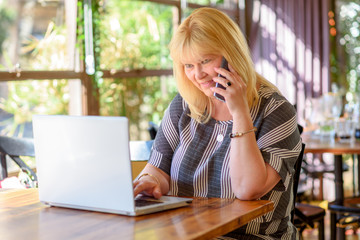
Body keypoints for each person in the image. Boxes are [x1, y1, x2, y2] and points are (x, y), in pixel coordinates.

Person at [133, 7, 302, 239]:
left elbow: (247, 189)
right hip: (189, 233)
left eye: (205, 60)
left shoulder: (275, 110)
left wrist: (240, 112)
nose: (197, 75)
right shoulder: (183, 105)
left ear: (231, 55)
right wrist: (149, 181)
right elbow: (158, 167)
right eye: (188, 65)